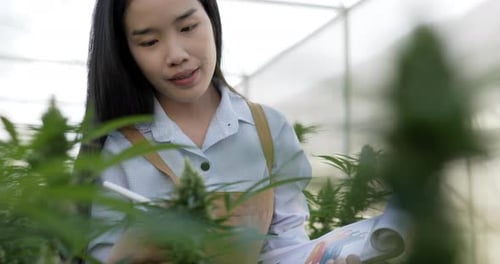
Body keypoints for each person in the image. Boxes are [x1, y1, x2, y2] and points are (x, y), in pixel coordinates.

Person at [83, 0, 360, 263]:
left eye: (188, 27)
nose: (177, 55)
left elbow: (288, 245)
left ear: (211, 19)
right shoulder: (122, 150)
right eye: (150, 42)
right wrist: (133, 248)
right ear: (127, 52)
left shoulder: (270, 129)